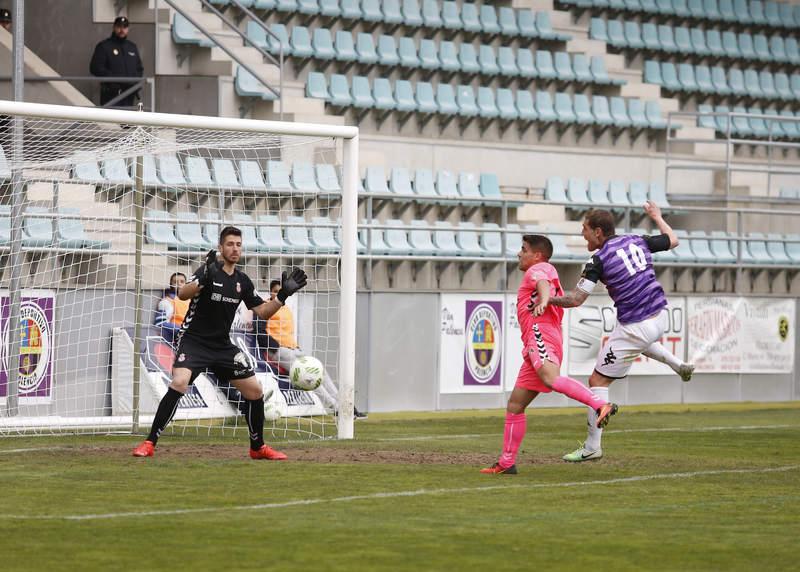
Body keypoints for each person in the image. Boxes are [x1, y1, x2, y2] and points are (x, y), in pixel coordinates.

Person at [133, 226, 307, 460]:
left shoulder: (242, 281)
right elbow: (183, 294)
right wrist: (203, 275)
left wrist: (283, 296)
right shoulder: (208, 271)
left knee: (254, 391)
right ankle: (149, 442)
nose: (235, 249)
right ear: (220, 247)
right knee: (180, 382)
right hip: (194, 342)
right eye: (230, 244)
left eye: (238, 244)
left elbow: (264, 311)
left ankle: (258, 447)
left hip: (222, 346)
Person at [548, 203, 695, 463]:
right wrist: (657, 217)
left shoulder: (598, 259)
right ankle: (678, 364)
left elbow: (576, 299)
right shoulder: (636, 240)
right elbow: (673, 240)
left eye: (584, 230)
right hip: (660, 315)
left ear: (597, 232)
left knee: (597, 383)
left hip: (636, 325)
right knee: (636, 340)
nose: (582, 235)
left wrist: (548, 299)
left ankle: (593, 447)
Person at [480, 234, 618, 475]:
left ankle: (599, 404)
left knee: (551, 378)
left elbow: (542, 283)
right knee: (515, 405)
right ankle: (506, 462)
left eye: (523, 249)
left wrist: (544, 301)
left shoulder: (539, 268)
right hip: (538, 338)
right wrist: (545, 301)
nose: (519, 253)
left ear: (537, 255)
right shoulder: (544, 268)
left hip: (539, 333)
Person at [251, 280, 366, 419]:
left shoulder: (286, 309)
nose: (277, 294)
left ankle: (346, 406)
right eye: (274, 291)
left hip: (294, 349)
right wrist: (274, 348)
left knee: (320, 369)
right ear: (270, 292)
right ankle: (335, 409)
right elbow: (259, 332)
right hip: (278, 350)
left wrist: (296, 347)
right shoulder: (264, 307)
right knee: (308, 375)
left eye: (279, 291)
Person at [89, 16, 144, 108]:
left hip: (129, 95)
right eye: (119, 27)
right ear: (114, 27)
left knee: (127, 121)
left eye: (125, 27)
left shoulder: (132, 47)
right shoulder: (104, 46)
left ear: (128, 29)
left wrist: (135, 84)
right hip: (111, 95)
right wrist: (114, 80)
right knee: (111, 121)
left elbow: (139, 69)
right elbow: (95, 68)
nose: (122, 30)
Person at [154, 272, 187, 346]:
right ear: (171, 285)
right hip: (175, 338)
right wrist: (181, 330)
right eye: (175, 282)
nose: (179, 284)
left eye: (182, 282)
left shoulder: (192, 301)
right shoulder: (167, 302)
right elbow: (159, 323)